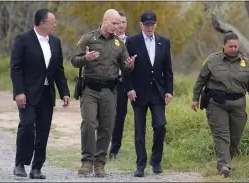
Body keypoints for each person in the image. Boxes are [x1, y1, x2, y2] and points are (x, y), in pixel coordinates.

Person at [70, 9, 136, 177]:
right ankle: (86, 162)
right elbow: (74, 61)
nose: (117, 27)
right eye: (114, 23)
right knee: (89, 123)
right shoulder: (88, 38)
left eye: (119, 23)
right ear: (104, 21)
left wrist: (129, 65)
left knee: (106, 127)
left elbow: (126, 67)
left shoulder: (119, 44)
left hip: (110, 91)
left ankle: (100, 164)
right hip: (90, 90)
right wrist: (86, 59)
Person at [10, 8, 71, 179]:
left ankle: (37, 168)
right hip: (27, 93)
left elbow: (59, 70)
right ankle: (20, 164)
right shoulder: (23, 39)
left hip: (46, 93)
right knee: (27, 125)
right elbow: (16, 68)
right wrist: (19, 92)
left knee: (43, 130)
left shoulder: (56, 42)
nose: (55, 25)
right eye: (52, 23)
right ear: (42, 23)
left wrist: (64, 93)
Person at [191, 30, 249, 178]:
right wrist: (195, 98)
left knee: (235, 138)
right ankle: (224, 166)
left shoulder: (246, 63)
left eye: (236, 46)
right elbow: (200, 80)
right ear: (224, 46)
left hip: (238, 104)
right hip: (217, 104)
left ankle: (225, 164)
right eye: (231, 46)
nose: (234, 49)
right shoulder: (212, 60)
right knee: (222, 136)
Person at [123, 10, 173, 177]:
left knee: (160, 126)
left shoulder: (164, 42)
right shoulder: (131, 42)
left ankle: (156, 160)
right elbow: (126, 69)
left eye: (152, 24)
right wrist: (129, 88)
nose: (150, 27)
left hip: (157, 92)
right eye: (147, 24)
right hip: (138, 92)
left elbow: (168, 70)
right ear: (141, 25)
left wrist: (169, 90)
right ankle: (140, 164)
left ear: (156, 25)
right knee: (139, 131)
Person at [109, 11, 131, 159]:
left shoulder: (132, 41)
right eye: (118, 22)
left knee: (120, 117)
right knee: (105, 114)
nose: (121, 25)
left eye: (124, 22)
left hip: (123, 83)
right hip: (108, 82)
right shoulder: (107, 39)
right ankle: (102, 144)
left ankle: (114, 149)